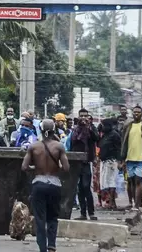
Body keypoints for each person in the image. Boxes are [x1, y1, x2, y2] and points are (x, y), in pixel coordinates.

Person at [21, 119, 70, 252]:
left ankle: (42, 247)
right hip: (54, 184)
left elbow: (24, 167)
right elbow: (66, 168)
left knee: (40, 218)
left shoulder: (34, 147)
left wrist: (35, 167)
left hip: (39, 183)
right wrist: (56, 167)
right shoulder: (59, 146)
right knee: (53, 217)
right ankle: (52, 245)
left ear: (41, 131)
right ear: (54, 130)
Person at [71, 108, 99, 221]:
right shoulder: (75, 129)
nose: (83, 118)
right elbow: (73, 141)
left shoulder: (92, 128)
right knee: (80, 188)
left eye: (85, 116)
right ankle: (83, 213)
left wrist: (88, 128)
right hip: (77, 162)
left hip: (87, 162)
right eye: (81, 116)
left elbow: (96, 138)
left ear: (88, 117)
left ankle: (91, 212)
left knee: (86, 187)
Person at [121, 105, 142, 211]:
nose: (136, 114)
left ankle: (137, 204)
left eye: (138, 112)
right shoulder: (128, 126)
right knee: (130, 181)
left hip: (141, 158)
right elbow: (123, 142)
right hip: (129, 158)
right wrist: (122, 158)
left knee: (139, 181)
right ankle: (132, 202)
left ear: (141, 114)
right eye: (135, 112)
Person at [98, 118, 121, 209]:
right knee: (106, 182)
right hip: (105, 161)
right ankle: (110, 202)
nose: (102, 127)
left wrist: (120, 161)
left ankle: (112, 202)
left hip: (111, 161)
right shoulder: (105, 135)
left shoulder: (114, 135)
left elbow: (119, 148)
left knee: (111, 181)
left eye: (103, 125)